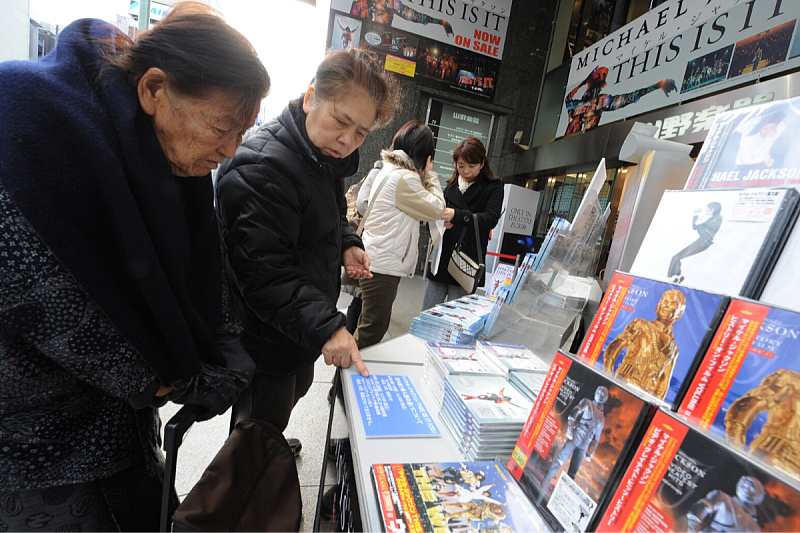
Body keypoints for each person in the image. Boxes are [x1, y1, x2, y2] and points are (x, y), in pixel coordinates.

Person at [0, 3, 269, 530]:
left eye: (244, 132)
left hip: (123, 433)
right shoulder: (28, 118)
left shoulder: (160, 155)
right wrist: (156, 380)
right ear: (153, 89)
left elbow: (200, 267)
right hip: (33, 453)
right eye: (222, 126)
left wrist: (221, 345)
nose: (230, 149)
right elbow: (39, 293)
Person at [215, 48, 401, 447]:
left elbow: (331, 216)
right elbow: (263, 273)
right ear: (311, 97)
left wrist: (348, 243)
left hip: (297, 331)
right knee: (254, 434)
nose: (347, 141)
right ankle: (247, 495)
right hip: (264, 336)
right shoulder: (263, 167)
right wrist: (328, 326)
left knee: (284, 404)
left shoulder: (319, 155)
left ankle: (269, 450)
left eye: (361, 133)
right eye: (341, 121)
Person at [354, 120, 445, 348]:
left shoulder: (391, 170)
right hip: (384, 264)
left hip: (376, 256)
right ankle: (345, 381)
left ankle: (341, 382)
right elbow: (436, 208)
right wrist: (432, 176)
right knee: (371, 331)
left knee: (365, 324)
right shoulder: (406, 178)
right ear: (425, 155)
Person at [422, 137, 504, 311]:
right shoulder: (450, 187)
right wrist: (441, 224)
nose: (466, 171)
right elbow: (435, 216)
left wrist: (457, 216)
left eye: (471, 166)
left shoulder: (493, 187)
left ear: (482, 163)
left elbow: (490, 218)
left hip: (467, 260)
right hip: (442, 258)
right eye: (461, 166)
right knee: (428, 312)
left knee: (454, 318)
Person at [602, 289, 686, 400]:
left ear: (679, 313)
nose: (666, 305)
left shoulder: (673, 349)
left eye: (673, 303)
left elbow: (663, 383)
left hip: (643, 398)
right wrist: (607, 379)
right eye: (664, 301)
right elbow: (614, 347)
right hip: (622, 384)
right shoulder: (641, 325)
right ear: (659, 305)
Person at [563, 66, 677, 134]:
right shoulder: (575, 104)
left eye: (603, 75)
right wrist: (583, 83)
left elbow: (629, 97)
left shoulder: (601, 101)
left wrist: (658, 85)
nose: (600, 77)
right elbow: (567, 99)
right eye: (598, 74)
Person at [541, 386, 608, 497]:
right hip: (576, 435)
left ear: (605, 398)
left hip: (585, 443)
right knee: (560, 460)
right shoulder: (587, 403)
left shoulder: (601, 419)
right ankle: (546, 481)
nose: (601, 393)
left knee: (572, 473)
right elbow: (574, 413)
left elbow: (596, 439)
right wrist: (570, 429)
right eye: (599, 391)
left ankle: (563, 495)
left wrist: (590, 452)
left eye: (603, 393)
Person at [667, 202, 723, 284]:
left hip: (703, 242)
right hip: (702, 241)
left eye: (708, 209)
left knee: (676, 257)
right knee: (677, 258)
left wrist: (699, 219)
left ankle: (671, 277)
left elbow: (698, 226)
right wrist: (696, 216)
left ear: (712, 209)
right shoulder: (712, 218)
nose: (706, 211)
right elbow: (696, 226)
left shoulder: (716, 219)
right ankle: (677, 276)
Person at [686, 476, 765, 532]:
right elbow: (697, 511)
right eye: (747, 484)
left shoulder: (723, 498)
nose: (748, 487)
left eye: (751, 488)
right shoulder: (755, 529)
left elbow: (696, 512)